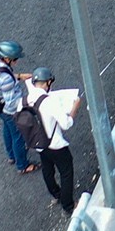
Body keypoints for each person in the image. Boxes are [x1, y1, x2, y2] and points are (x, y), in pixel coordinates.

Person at [26, 67, 84, 214]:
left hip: (39, 143)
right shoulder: (49, 101)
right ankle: (68, 205)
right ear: (47, 83)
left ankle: (56, 194)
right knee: (66, 171)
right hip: (55, 144)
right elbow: (66, 123)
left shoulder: (27, 98)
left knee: (47, 169)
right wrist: (75, 107)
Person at [0, 40, 36, 174]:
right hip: (9, 111)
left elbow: (0, 76)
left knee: (7, 129)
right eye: (15, 59)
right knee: (18, 136)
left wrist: (19, 76)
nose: (16, 62)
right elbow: (12, 104)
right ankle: (22, 165)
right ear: (6, 59)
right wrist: (29, 101)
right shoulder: (6, 80)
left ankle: (11, 156)